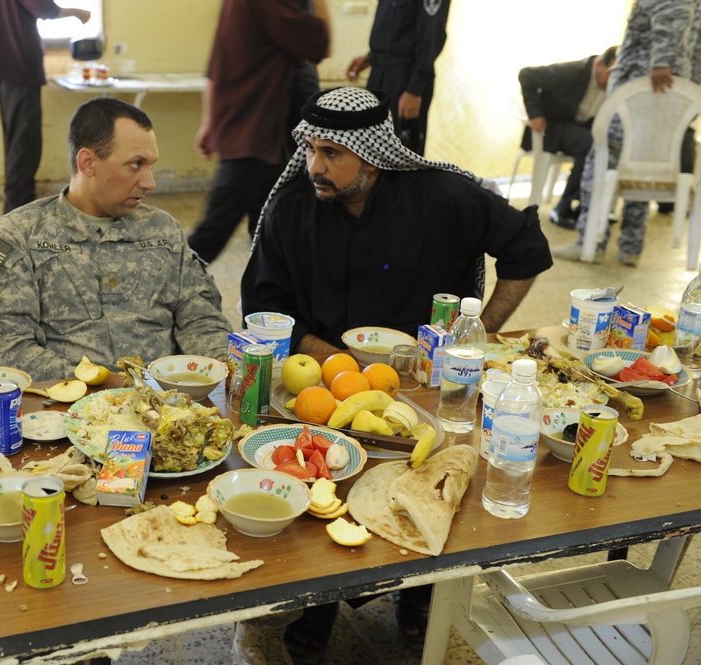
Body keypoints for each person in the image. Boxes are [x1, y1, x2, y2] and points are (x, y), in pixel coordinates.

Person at [235, 88, 552, 664]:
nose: (313, 166)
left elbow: (526, 250)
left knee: (435, 489)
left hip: (432, 385)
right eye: (308, 148)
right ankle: (319, 599)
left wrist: (473, 338)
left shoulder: (445, 199)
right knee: (322, 480)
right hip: (324, 382)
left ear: (373, 153)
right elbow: (267, 303)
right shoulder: (291, 208)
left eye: (332, 152)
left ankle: (421, 592)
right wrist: (336, 360)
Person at [0, 97, 231, 381]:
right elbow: (10, 350)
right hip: (63, 409)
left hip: (165, 408)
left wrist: (219, 362)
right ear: (88, 163)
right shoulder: (18, 236)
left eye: (150, 165)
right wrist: (109, 388)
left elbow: (201, 319)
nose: (149, 182)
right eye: (135, 164)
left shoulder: (163, 231)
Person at [553, 0, 700, 266]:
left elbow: (673, 11)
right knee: (641, 167)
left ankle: (590, 242)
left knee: (603, 159)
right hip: (662, 94)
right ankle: (631, 247)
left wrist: (660, 64)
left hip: (641, 92)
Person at [186, 0, 330, 264]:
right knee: (213, 232)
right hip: (254, 136)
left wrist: (210, 121)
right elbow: (321, 42)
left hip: (257, 135)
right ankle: (154, 290)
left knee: (266, 234)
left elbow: (216, 64)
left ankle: (264, 300)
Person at [0, 0, 91, 214]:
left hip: (5, 75)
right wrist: (78, 13)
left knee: (15, 143)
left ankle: (14, 210)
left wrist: (0, 61)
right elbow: (46, 9)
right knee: (25, 145)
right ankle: (19, 215)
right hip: (23, 72)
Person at [518, 46, 618, 229]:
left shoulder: (614, 86)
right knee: (590, 145)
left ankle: (587, 207)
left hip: (577, 127)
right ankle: (563, 207)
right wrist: (535, 114)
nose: (614, 79)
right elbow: (527, 75)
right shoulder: (574, 71)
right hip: (552, 126)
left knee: (609, 144)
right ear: (598, 64)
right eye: (612, 72)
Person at [345, 0, 450, 155]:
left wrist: (415, 89)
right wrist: (372, 57)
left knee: (402, 157)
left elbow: (431, 35)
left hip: (405, 80)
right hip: (381, 73)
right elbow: (397, 26)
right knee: (374, 152)